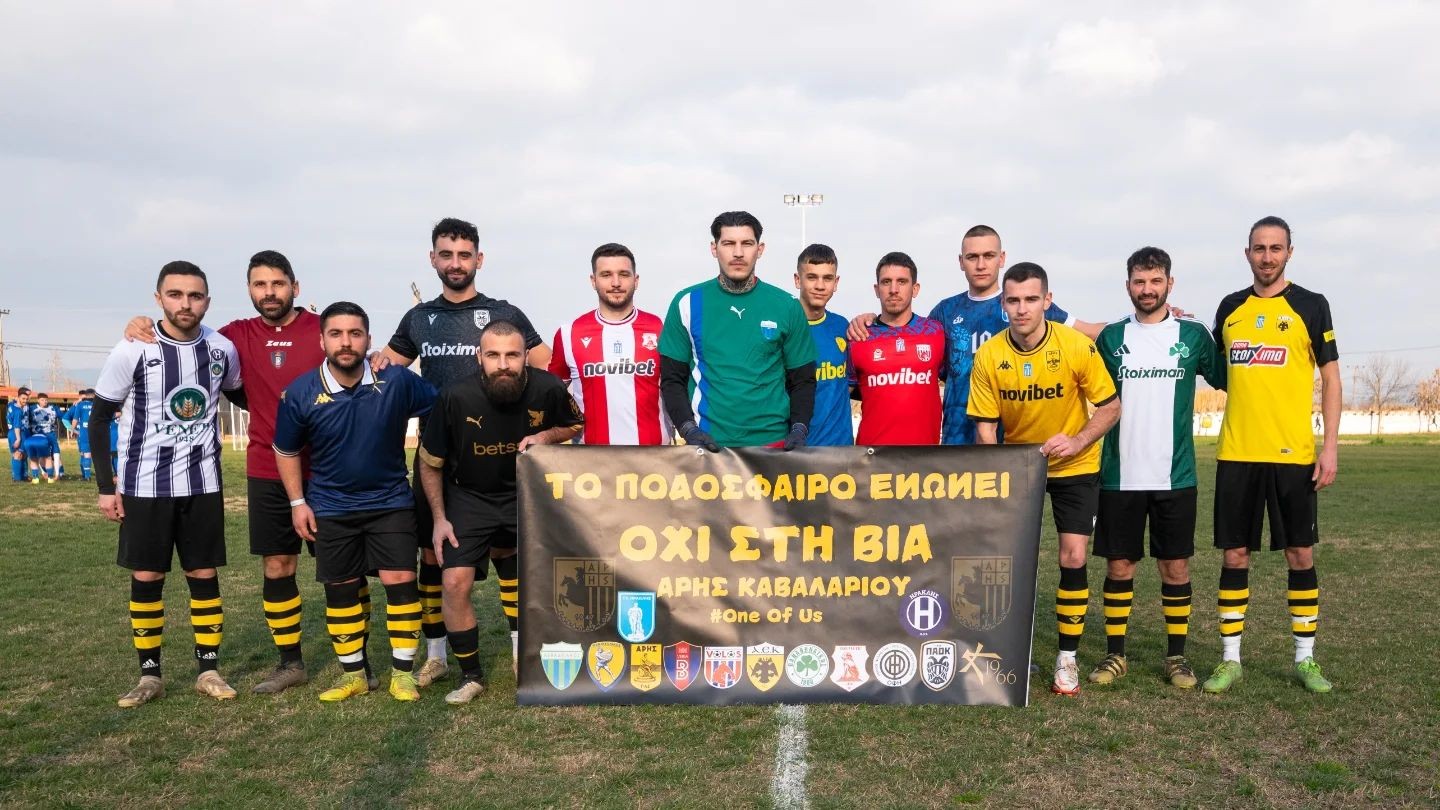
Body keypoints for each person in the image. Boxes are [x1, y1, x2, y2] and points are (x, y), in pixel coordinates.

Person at [124, 250, 331, 694]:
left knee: (340, 567)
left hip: (329, 467)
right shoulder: (233, 337)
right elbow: (189, 340)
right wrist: (142, 324)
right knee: (278, 564)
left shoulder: (323, 329)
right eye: (260, 284)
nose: (269, 292)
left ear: (295, 287)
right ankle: (290, 663)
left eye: (278, 283)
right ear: (249, 290)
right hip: (267, 467)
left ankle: (356, 661)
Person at [380, 217, 551, 689]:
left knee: (508, 551)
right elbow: (387, 370)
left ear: (479, 259)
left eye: (464, 255)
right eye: (446, 254)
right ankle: (436, 655)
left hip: (497, 455)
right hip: (437, 459)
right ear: (433, 259)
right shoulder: (418, 319)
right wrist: (375, 360)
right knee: (432, 554)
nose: (455, 263)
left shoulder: (503, 313)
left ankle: (520, 649)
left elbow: (546, 367)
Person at [89, 261, 244, 707]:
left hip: (203, 482)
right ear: (159, 298)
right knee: (147, 575)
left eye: (195, 295)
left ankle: (209, 670)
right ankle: (149, 676)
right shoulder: (132, 348)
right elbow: (99, 419)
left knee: (204, 573)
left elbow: (242, 394)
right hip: (144, 485)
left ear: (207, 301)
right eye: (175, 294)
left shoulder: (221, 348)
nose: (185, 303)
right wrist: (106, 487)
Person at [1202, 216, 1341, 695]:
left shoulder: (1311, 305)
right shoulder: (1230, 308)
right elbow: (1216, 368)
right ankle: (1230, 659)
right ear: (1247, 254)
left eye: (1275, 248)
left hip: (1293, 455)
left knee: (1299, 553)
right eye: (1259, 248)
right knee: (1235, 554)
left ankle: (1305, 659)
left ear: (1289, 253)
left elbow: (1331, 379)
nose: (1267, 257)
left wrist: (1329, 447)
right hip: (1237, 453)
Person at [968, 262, 1121, 697]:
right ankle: (1015, 651)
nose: (1022, 309)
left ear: (1047, 301)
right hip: (1022, 470)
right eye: (1014, 300)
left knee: (1073, 557)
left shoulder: (1075, 346)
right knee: (1014, 563)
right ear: (1003, 304)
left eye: (1031, 299)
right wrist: (1000, 472)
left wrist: (1078, 440)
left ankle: (1067, 659)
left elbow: (1110, 406)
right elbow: (985, 428)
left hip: (1075, 466)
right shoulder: (990, 355)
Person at [273, 301, 437, 702]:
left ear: (368, 339)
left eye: (355, 334)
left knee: (400, 583)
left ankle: (402, 675)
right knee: (341, 589)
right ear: (322, 340)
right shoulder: (300, 392)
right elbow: (286, 451)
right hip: (330, 507)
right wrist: (297, 503)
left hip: (391, 502)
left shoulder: (395, 380)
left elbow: (441, 406)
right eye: (336, 334)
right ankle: (354, 676)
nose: (346, 342)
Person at [420, 320, 583, 703]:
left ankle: (524, 655)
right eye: (493, 355)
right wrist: (440, 519)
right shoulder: (455, 396)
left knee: (536, 578)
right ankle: (470, 676)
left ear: (526, 356)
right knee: (454, 582)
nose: (503, 364)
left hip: (524, 495)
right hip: (469, 497)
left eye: (512, 354)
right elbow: (430, 463)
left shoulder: (548, 388)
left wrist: (545, 435)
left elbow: (575, 424)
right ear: (479, 357)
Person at [1090, 247, 1225, 689]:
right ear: (1128, 285)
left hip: (1176, 475)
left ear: (1170, 283)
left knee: (1176, 568)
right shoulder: (1111, 338)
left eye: (1155, 281)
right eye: (1139, 281)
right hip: (1119, 475)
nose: (1147, 289)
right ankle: (1115, 655)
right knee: (1119, 568)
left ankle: (1176, 657)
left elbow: (1230, 377)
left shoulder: (1194, 335)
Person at [849, 225, 1106, 445]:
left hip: (1013, 436)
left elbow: (1091, 332)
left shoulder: (1025, 303)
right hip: (958, 436)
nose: (981, 265)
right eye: (972, 257)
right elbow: (905, 338)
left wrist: (1130, 327)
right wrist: (869, 322)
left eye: (988, 256)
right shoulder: (944, 312)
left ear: (1001, 259)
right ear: (961, 261)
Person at [659, 211, 816, 450]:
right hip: (709, 446)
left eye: (747, 243)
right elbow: (672, 380)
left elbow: (803, 380)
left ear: (760, 249)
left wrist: (799, 428)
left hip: (773, 445)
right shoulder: (686, 303)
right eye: (729, 243)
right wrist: (688, 429)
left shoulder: (787, 306)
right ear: (714, 248)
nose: (738, 253)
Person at [548, 243, 669, 445]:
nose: (616, 283)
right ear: (593, 281)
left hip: (654, 456)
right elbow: (549, 397)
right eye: (606, 275)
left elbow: (679, 389)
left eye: (624, 274)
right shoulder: (568, 334)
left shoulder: (661, 329)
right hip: (592, 459)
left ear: (636, 280)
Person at [848, 252, 946, 444]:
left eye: (902, 281)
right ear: (877, 289)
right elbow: (837, 397)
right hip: (873, 456)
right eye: (886, 282)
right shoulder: (858, 336)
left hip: (925, 455)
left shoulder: (935, 332)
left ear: (915, 289)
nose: (894, 289)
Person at [793, 244, 853, 446]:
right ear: (797, 280)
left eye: (827, 278)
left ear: (836, 283)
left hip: (840, 450)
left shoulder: (843, 326)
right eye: (812, 277)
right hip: (795, 449)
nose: (820, 286)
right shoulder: (784, 327)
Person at [27, 392, 62, 482]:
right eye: (42, 400)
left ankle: (57, 474)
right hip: (37, 435)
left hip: (50, 434)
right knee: (39, 455)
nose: (45, 402)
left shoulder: (53, 408)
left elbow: (64, 416)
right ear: (38, 400)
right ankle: (44, 472)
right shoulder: (31, 409)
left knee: (56, 452)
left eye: (46, 400)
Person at [63, 389, 95, 481]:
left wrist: (72, 430)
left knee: (85, 454)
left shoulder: (79, 405)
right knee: (97, 455)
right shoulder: (98, 404)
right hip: (97, 433)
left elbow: (74, 419)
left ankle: (86, 476)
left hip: (84, 433)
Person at [7, 387, 30, 482]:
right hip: (17, 433)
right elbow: (17, 426)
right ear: (19, 397)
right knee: (18, 454)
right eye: (23, 398)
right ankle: (17, 478)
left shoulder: (11, 405)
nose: (25, 400)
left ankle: (23, 476)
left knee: (24, 455)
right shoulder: (18, 410)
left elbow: (10, 403)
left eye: (27, 398)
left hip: (18, 432)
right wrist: (18, 439)